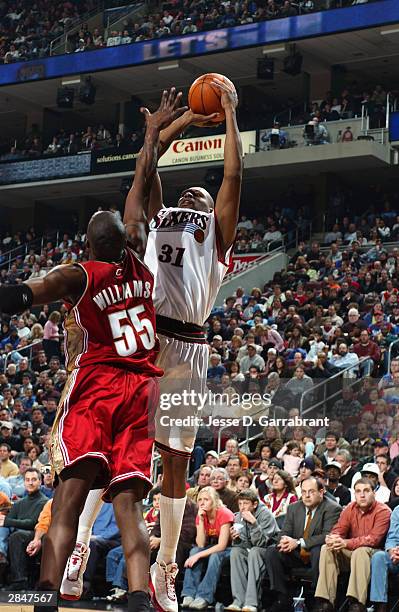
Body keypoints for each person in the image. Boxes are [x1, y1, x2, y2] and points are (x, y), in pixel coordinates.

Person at [62, 81, 242, 612]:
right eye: (188, 193)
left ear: (211, 211)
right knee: (109, 457)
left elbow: (232, 175)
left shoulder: (218, 234)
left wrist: (229, 114)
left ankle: (165, 568)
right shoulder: (161, 220)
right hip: (143, 342)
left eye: (201, 196)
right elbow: (146, 176)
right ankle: (76, 551)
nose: (193, 196)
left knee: (175, 461)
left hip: (188, 350)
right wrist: (162, 130)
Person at [0, 95, 179, 612]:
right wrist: (150, 140)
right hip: (142, 391)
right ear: (123, 241)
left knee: (68, 505)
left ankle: (44, 598)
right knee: (128, 506)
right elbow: (140, 192)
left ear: (87, 243)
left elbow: (25, 293)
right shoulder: (140, 262)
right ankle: (141, 598)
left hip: (98, 388)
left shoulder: (79, 274)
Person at [264, 477, 341, 612]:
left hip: (315, 554)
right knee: (272, 551)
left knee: (320, 549)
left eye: (311, 491)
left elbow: (327, 536)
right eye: (304, 491)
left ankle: (319, 600)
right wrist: (284, 540)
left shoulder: (332, 508)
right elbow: (285, 531)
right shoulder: (294, 507)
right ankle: (282, 596)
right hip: (296, 554)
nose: (306, 495)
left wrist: (298, 542)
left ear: (321, 492)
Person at [314, 478, 391, 612]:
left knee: (360, 551)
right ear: (354, 494)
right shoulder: (350, 507)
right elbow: (339, 528)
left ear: (374, 492)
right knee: (327, 548)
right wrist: (334, 538)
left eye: (366, 491)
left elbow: (373, 540)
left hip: (373, 555)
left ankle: (356, 603)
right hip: (352, 553)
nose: (362, 495)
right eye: (358, 491)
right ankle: (325, 602)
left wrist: (345, 542)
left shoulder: (383, 511)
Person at [226, 489, 280, 612]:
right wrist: (236, 539)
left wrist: (254, 523)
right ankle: (238, 601)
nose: (242, 507)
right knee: (235, 552)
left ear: (254, 504)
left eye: (245, 503)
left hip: (269, 551)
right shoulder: (239, 516)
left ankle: (252, 603)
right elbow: (244, 545)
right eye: (240, 504)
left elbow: (262, 543)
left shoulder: (265, 514)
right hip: (251, 549)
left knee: (255, 552)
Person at [181, 486, 234, 609]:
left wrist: (198, 555)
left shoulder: (224, 514)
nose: (202, 503)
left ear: (214, 500)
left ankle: (204, 596)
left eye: (206, 499)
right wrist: (200, 519)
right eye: (200, 500)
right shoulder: (201, 514)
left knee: (214, 556)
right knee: (194, 550)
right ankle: (188, 594)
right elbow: (200, 544)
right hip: (212, 546)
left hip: (230, 548)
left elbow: (222, 546)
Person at [370, 504, 399, 612]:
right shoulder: (398, 510)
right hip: (397, 556)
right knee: (379, 557)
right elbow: (392, 538)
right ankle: (380, 605)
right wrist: (392, 552)